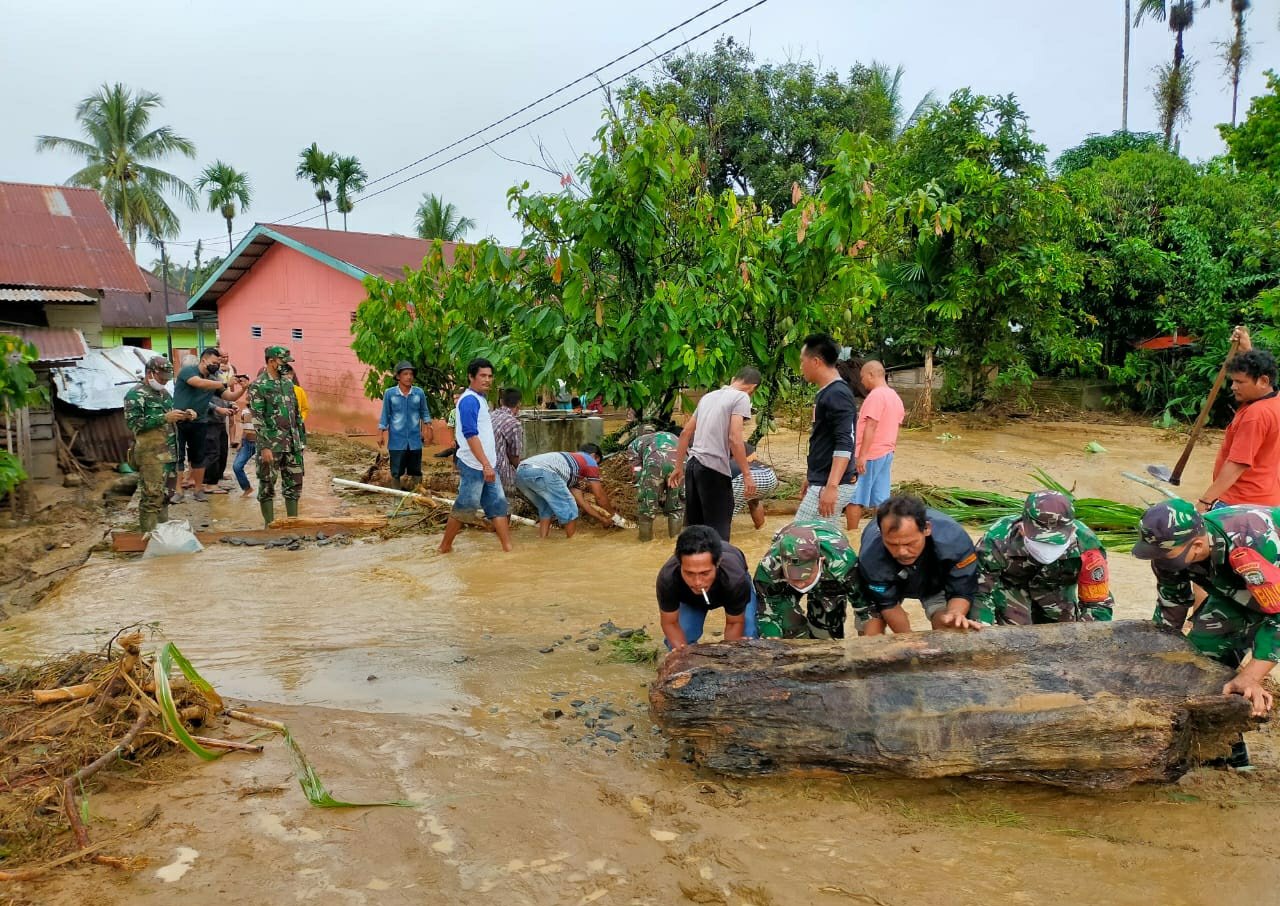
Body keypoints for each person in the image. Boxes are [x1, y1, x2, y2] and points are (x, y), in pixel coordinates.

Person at [1132, 500, 1279, 719]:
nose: (1158, 559)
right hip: (1237, 592)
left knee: (1248, 676)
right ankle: (1223, 750)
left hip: (1270, 576)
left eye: (1164, 554)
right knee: (1201, 671)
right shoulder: (1168, 552)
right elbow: (1173, 602)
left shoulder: (1251, 543)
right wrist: (1156, 654)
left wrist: (1251, 676)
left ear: (1198, 545)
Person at [973, 490, 1114, 625]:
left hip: (1057, 591)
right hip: (1011, 588)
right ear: (1022, 529)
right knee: (1017, 637)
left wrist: (1088, 640)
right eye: (1040, 542)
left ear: (1072, 531)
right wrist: (983, 627)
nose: (1047, 550)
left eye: (1056, 544)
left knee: (1064, 637)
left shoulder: (1088, 549)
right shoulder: (998, 539)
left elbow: (1097, 603)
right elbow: (980, 592)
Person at [857, 495, 983, 634]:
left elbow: (962, 590)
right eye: (892, 544)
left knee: (949, 626)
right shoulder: (871, 555)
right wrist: (908, 641)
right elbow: (887, 604)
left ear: (927, 529)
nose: (902, 552)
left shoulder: (954, 541)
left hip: (935, 578)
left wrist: (954, 614)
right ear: (881, 535)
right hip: (887, 580)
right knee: (872, 633)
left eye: (909, 543)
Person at [670, 367, 760, 542]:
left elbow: (685, 434)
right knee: (719, 535)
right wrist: (747, 474)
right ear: (752, 388)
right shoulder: (741, 397)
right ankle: (719, 568)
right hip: (713, 470)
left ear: (734, 378)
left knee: (695, 533)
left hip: (692, 466)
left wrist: (678, 467)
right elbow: (735, 438)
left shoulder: (708, 397)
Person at [1195, 329, 1280, 511]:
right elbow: (1258, 376)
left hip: (1241, 504)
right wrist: (1246, 350)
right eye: (1233, 381)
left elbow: (1237, 464)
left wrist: (1205, 501)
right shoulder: (1274, 399)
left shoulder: (1256, 415)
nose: (1233, 387)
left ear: (1263, 381)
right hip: (1266, 498)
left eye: (1240, 382)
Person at [438, 358, 513, 553]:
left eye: (490, 376)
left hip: (487, 464)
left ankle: (508, 549)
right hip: (474, 465)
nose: (487, 380)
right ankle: (444, 547)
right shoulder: (469, 401)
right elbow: (471, 435)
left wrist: (489, 465)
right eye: (483, 376)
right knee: (466, 506)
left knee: (498, 505)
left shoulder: (480, 399)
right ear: (471, 377)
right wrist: (486, 465)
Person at [754, 520, 863, 639]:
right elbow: (768, 614)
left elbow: (866, 609)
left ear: (820, 561)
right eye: (794, 578)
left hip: (828, 575)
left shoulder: (844, 565)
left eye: (805, 577)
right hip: (787, 543)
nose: (800, 584)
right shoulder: (768, 568)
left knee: (827, 635)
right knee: (788, 629)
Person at [656, 525, 758, 649]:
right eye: (689, 573)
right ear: (679, 564)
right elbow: (670, 623)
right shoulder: (668, 578)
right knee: (680, 643)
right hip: (690, 598)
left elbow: (734, 623)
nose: (697, 582)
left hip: (730, 590)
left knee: (748, 638)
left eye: (705, 573)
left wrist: (732, 654)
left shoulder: (736, 580)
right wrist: (682, 656)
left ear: (718, 563)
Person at [124, 357, 193, 533]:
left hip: (169, 453)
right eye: (162, 378)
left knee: (165, 496)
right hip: (151, 456)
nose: (164, 382)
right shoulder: (136, 395)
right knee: (151, 497)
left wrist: (184, 415)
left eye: (167, 379)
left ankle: (162, 535)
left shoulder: (164, 394)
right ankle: (149, 537)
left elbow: (169, 420)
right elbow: (134, 424)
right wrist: (163, 418)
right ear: (150, 373)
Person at [795, 334, 858, 526]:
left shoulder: (837, 394)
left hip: (831, 484)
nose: (800, 367)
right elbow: (823, 441)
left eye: (802, 361)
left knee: (796, 539)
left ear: (815, 361)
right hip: (822, 481)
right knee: (823, 542)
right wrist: (812, 477)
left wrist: (831, 487)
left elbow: (845, 442)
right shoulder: (828, 393)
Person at [171, 347, 245, 502]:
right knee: (178, 457)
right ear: (203, 360)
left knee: (200, 457)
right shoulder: (188, 371)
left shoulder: (213, 380)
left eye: (218, 362)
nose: (217, 365)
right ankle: (178, 491)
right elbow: (199, 384)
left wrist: (242, 389)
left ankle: (198, 490)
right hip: (179, 420)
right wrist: (223, 382)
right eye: (214, 362)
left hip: (200, 421)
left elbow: (229, 396)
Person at [249, 346, 306, 527]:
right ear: (272, 361)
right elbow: (257, 419)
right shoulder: (258, 386)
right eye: (283, 361)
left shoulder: (288, 385)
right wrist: (265, 446)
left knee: (294, 484)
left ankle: (292, 523)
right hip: (271, 445)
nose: (286, 366)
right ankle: (270, 525)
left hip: (292, 444)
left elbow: (296, 416)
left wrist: (301, 443)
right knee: (267, 484)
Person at [845, 361, 904, 531]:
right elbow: (896, 427)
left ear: (871, 375)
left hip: (870, 454)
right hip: (886, 453)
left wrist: (861, 456)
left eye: (862, 377)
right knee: (881, 499)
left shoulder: (876, 396)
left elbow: (871, 426)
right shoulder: (895, 397)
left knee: (854, 498)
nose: (861, 381)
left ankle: (852, 536)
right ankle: (880, 534)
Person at [515, 443, 614, 539]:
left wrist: (603, 519)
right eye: (598, 462)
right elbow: (599, 495)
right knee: (570, 507)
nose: (596, 466)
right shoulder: (590, 461)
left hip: (520, 474)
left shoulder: (570, 472)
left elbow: (583, 504)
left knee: (546, 508)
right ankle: (572, 542)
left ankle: (542, 540)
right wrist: (613, 516)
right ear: (594, 456)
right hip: (541, 471)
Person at [378, 361, 433, 490]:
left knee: (416, 471)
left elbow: (425, 412)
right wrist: (380, 434)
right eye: (405, 374)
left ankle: (417, 496)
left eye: (411, 374)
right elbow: (385, 414)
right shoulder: (390, 394)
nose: (409, 377)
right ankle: (396, 498)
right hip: (397, 441)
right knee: (396, 472)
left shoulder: (418, 393)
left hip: (414, 441)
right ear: (398, 377)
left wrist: (428, 429)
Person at [629, 425, 684, 542]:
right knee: (677, 508)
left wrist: (642, 489)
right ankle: (675, 543)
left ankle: (645, 543)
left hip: (654, 463)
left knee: (646, 510)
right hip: (680, 464)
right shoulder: (673, 436)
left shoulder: (636, 442)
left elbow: (637, 471)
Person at [730, 443, 778, 530]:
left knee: (723, 511)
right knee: (753, 499)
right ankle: (761, 529)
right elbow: (752, 458)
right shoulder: (736, 441)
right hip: (769, 474)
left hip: (747, 477)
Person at [490, 388, 524, 493]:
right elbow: (514, 456)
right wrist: (523, 471)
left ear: (501, 401)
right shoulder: (514, 424)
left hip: (483, 468)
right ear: (519, 404)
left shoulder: (491, 416)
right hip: (500, 474)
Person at [231, 401, 256, 498]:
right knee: (237, 466)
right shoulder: (245, 412)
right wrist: (241, 442)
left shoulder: (265, 411)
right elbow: (245, 428)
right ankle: (247, 488)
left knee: (265, 469)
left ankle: (269, 492)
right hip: (247, 443)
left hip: (262, 444)